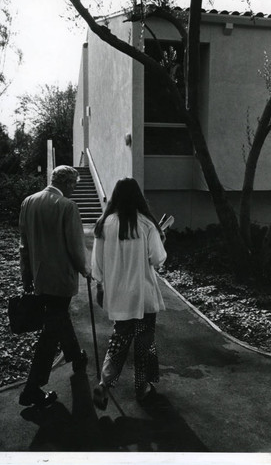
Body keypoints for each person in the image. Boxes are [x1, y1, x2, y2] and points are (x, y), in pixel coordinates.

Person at [91, 177, 167, 410]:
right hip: (143, 295)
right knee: (144, 343)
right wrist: (162, 241)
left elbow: (97, 264)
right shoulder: (146, 224)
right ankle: (141, 387)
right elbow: (157, 258)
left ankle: (104, 382)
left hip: (118, 296)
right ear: (138, 197)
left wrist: (101, 285)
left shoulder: (104, 224)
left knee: (118, 340)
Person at [19, 165, 91, 407]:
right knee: (50, 333)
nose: (74, 191)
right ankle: (32, 388)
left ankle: (75, 356)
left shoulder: (28, 202)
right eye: (74, 186)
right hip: (61, 279)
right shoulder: (67, 207)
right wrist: (85, 269)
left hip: (39, 278)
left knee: (58, 318)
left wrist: (26, 275)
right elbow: (75, 245)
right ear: (68, 183)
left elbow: (24, 244)